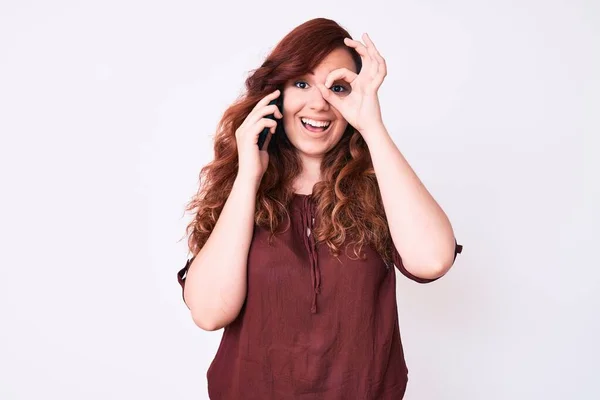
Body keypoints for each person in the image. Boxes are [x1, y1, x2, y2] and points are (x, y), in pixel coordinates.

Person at [177, 17, 463, 399]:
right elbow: (210, 313)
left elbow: (432, 260)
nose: (319, 102)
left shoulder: (384, 187)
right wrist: (248, 177)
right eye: (301, 83)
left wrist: (373, 127)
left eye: (338, 87)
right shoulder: (240, 187)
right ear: (275, 94)